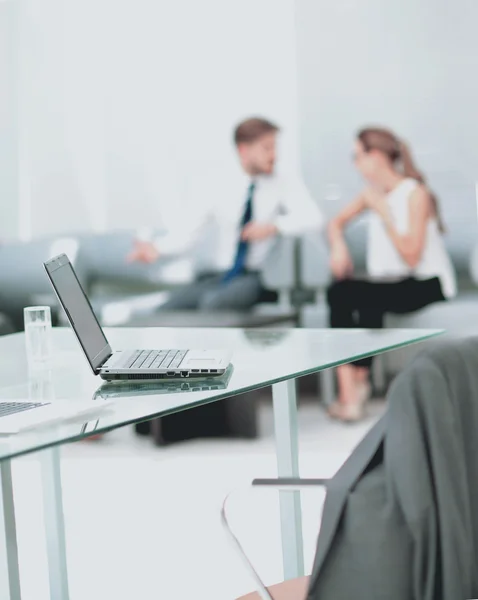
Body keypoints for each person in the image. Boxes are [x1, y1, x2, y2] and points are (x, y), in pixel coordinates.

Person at [327, 127, 456, 422]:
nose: (355, 164)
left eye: (356, 156)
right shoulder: (371, 195)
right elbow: (335, 223)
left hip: (426, 283)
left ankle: (353, 390)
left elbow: (411, 256)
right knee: (354, 293)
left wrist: (384, 213)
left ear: (375, 156)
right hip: (390, 284)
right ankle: (353, 388)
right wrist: (338, 247)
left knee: (358, 295)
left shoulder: (415, 193)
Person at [127, 117, 324, 310]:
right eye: (266, 148)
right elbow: (187, 235)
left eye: (274, 147)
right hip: (221, 275)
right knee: (169, 309)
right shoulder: (216, 184)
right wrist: (157, 248)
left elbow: (314, 218)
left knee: (213, 305)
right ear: (243, 150)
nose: (274, 155)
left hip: (256, 276)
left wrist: (274, 227)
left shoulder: (283, 181)